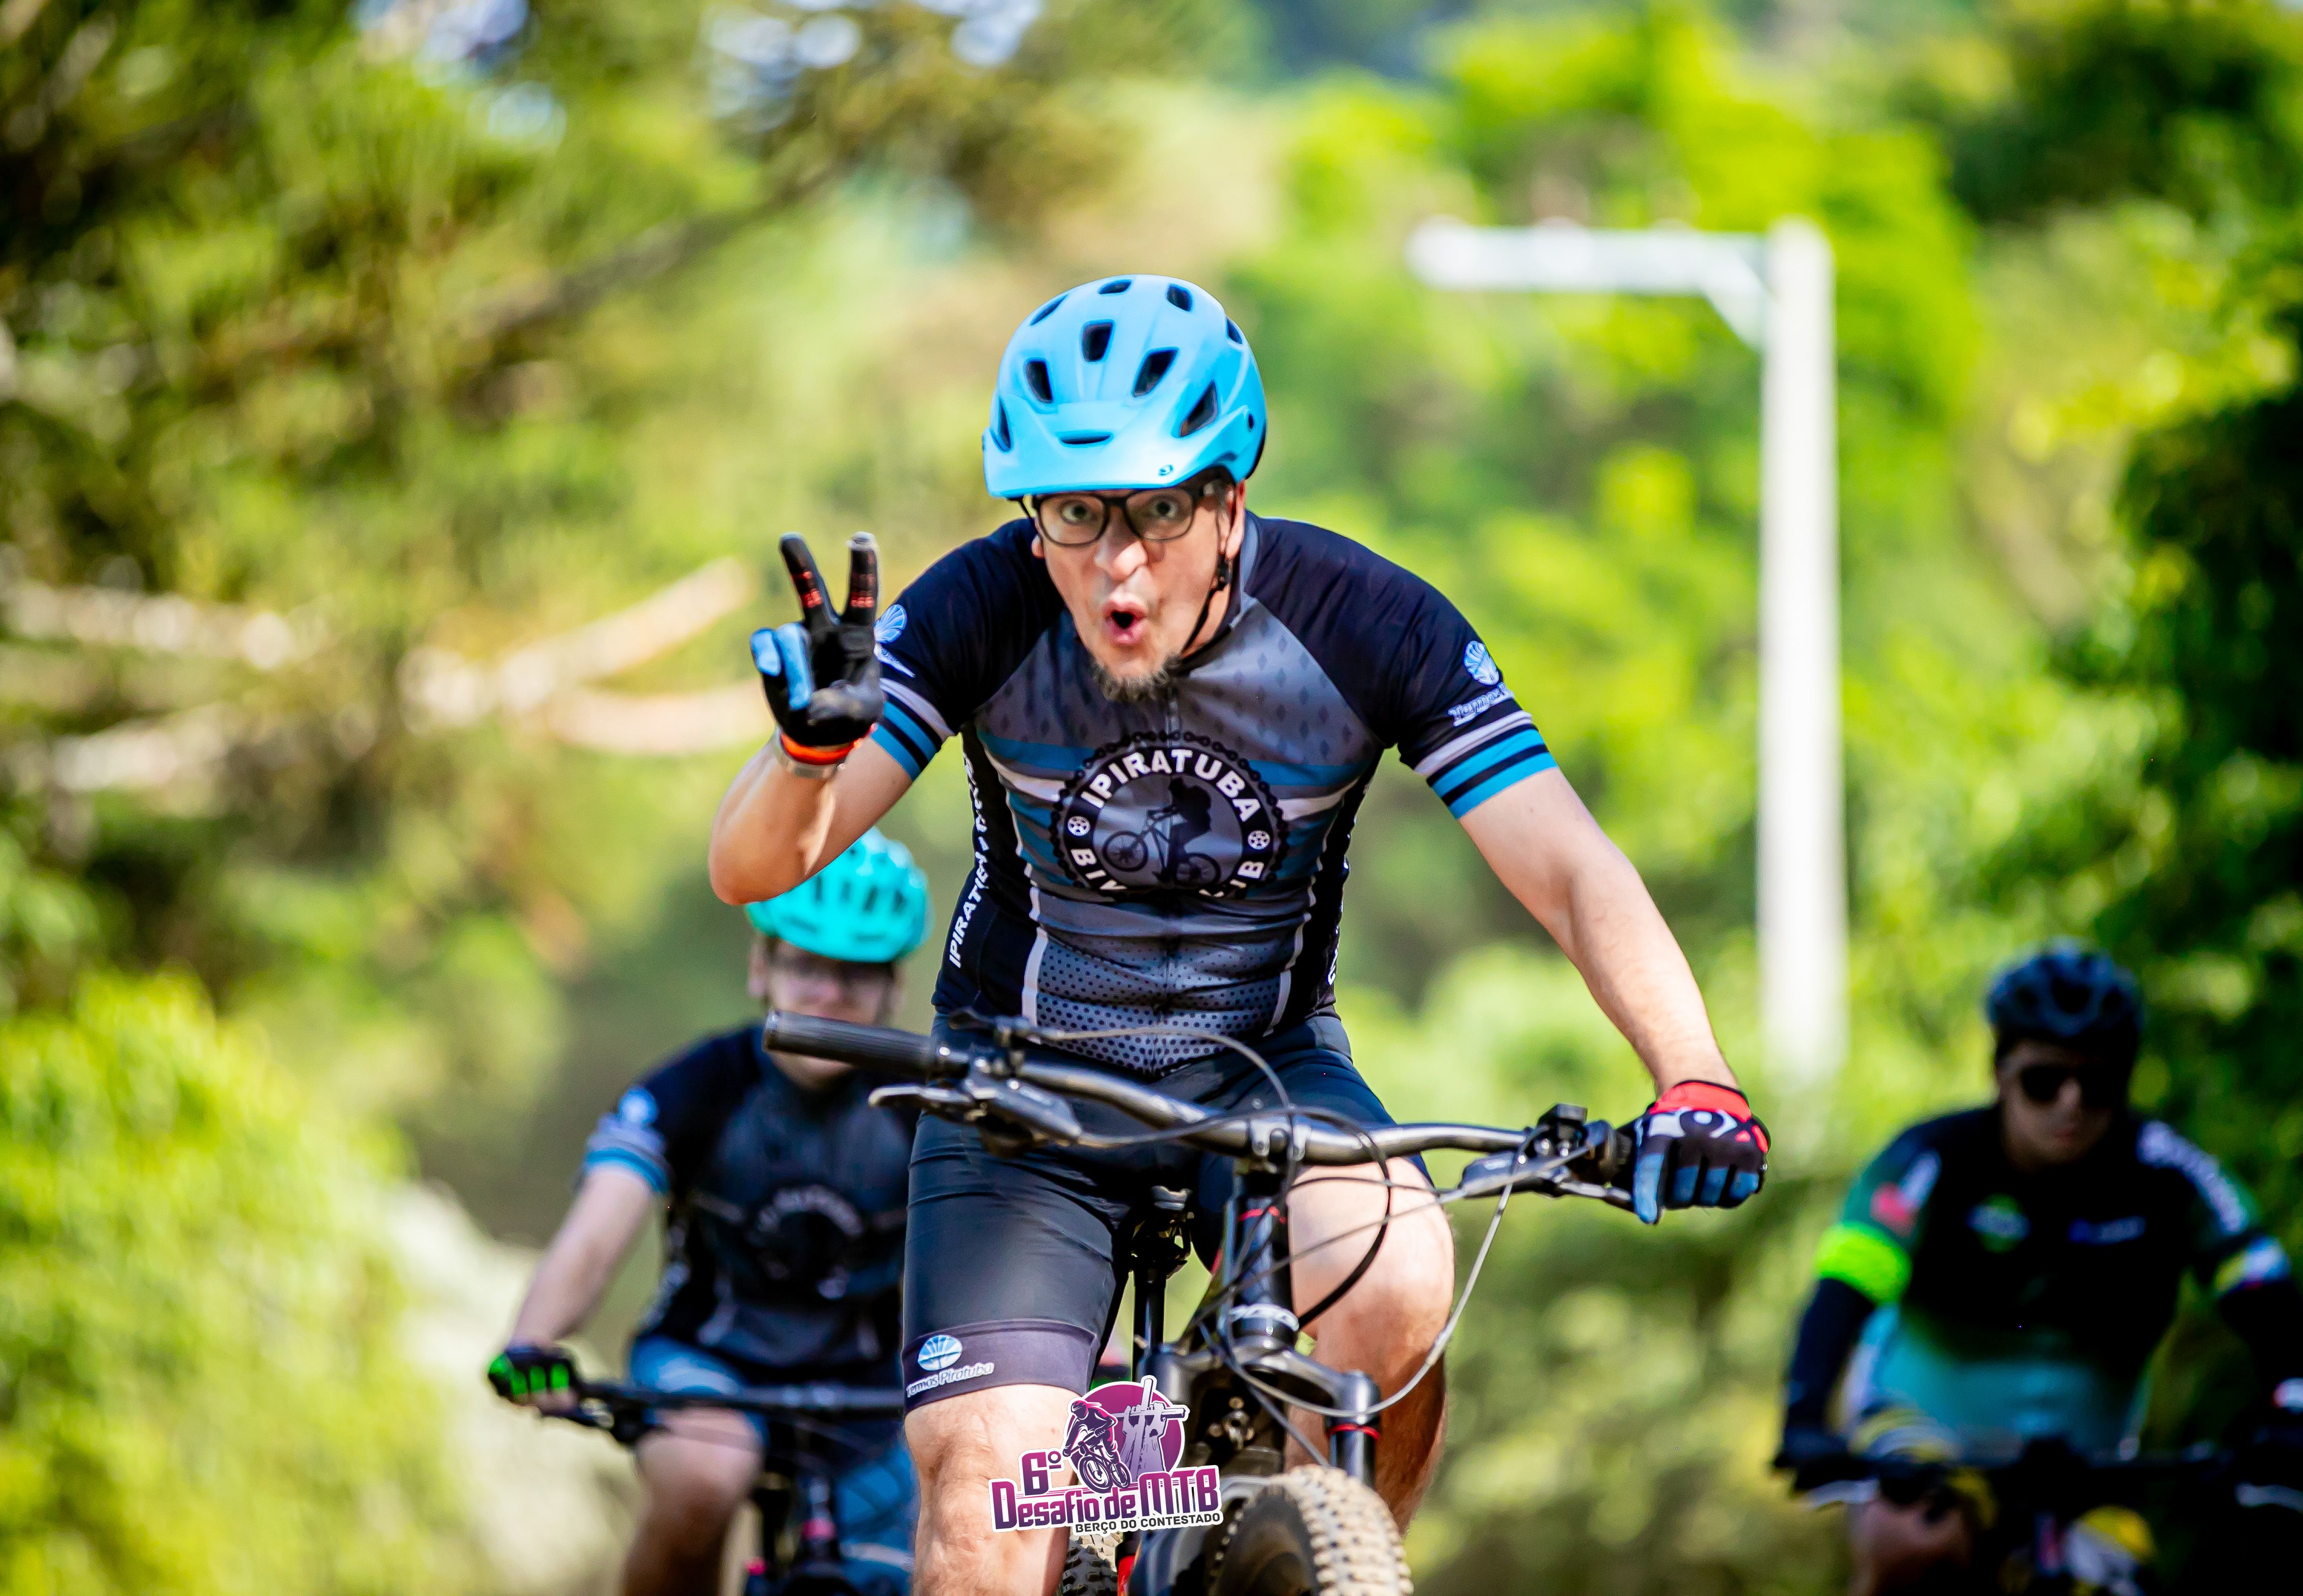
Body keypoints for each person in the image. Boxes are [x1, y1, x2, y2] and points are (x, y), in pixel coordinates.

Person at [708, 274, 1769, 1594]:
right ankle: (1104, 1502)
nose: (1118, 562)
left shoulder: (1363, 620)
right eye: (1075, 513)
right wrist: (807, 754)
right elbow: (756, 868)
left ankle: (1306, 1553)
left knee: (1398, 1281)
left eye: (1159, 509)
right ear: (1032, 516)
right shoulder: (982, 605)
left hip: (1265, 1070)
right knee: (990, 1510)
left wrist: (1694, 1075)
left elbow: (1566, 867)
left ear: (1231, 496)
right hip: (1019, 1090)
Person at [1777, 944, 2303, 1594]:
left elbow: (2262, 1286)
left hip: (2090, 1468)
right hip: (1923, 1434)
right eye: (2043, 1081)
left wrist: (2292, 1406)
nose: (2070, 1104)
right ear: (1999, 1074)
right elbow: (1847, 1285)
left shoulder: (2175, 1176)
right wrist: (1805, 1413)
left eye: (2098, 1084)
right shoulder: (1929, 1159)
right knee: (1917, 1545)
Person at [490, 832, 931, 1596]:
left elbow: (1016, 1240)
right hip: (709, 1368)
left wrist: (1087, 1359)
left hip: (874, 1392)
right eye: (807, 965)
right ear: (762, 967)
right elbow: (595, 1237)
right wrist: (533, 1340)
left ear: (894, 988)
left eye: (858, 974)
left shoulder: (930, 1099)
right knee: (703, 1481)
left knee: (944, 1549)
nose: (830, 994)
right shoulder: (700, 1085)